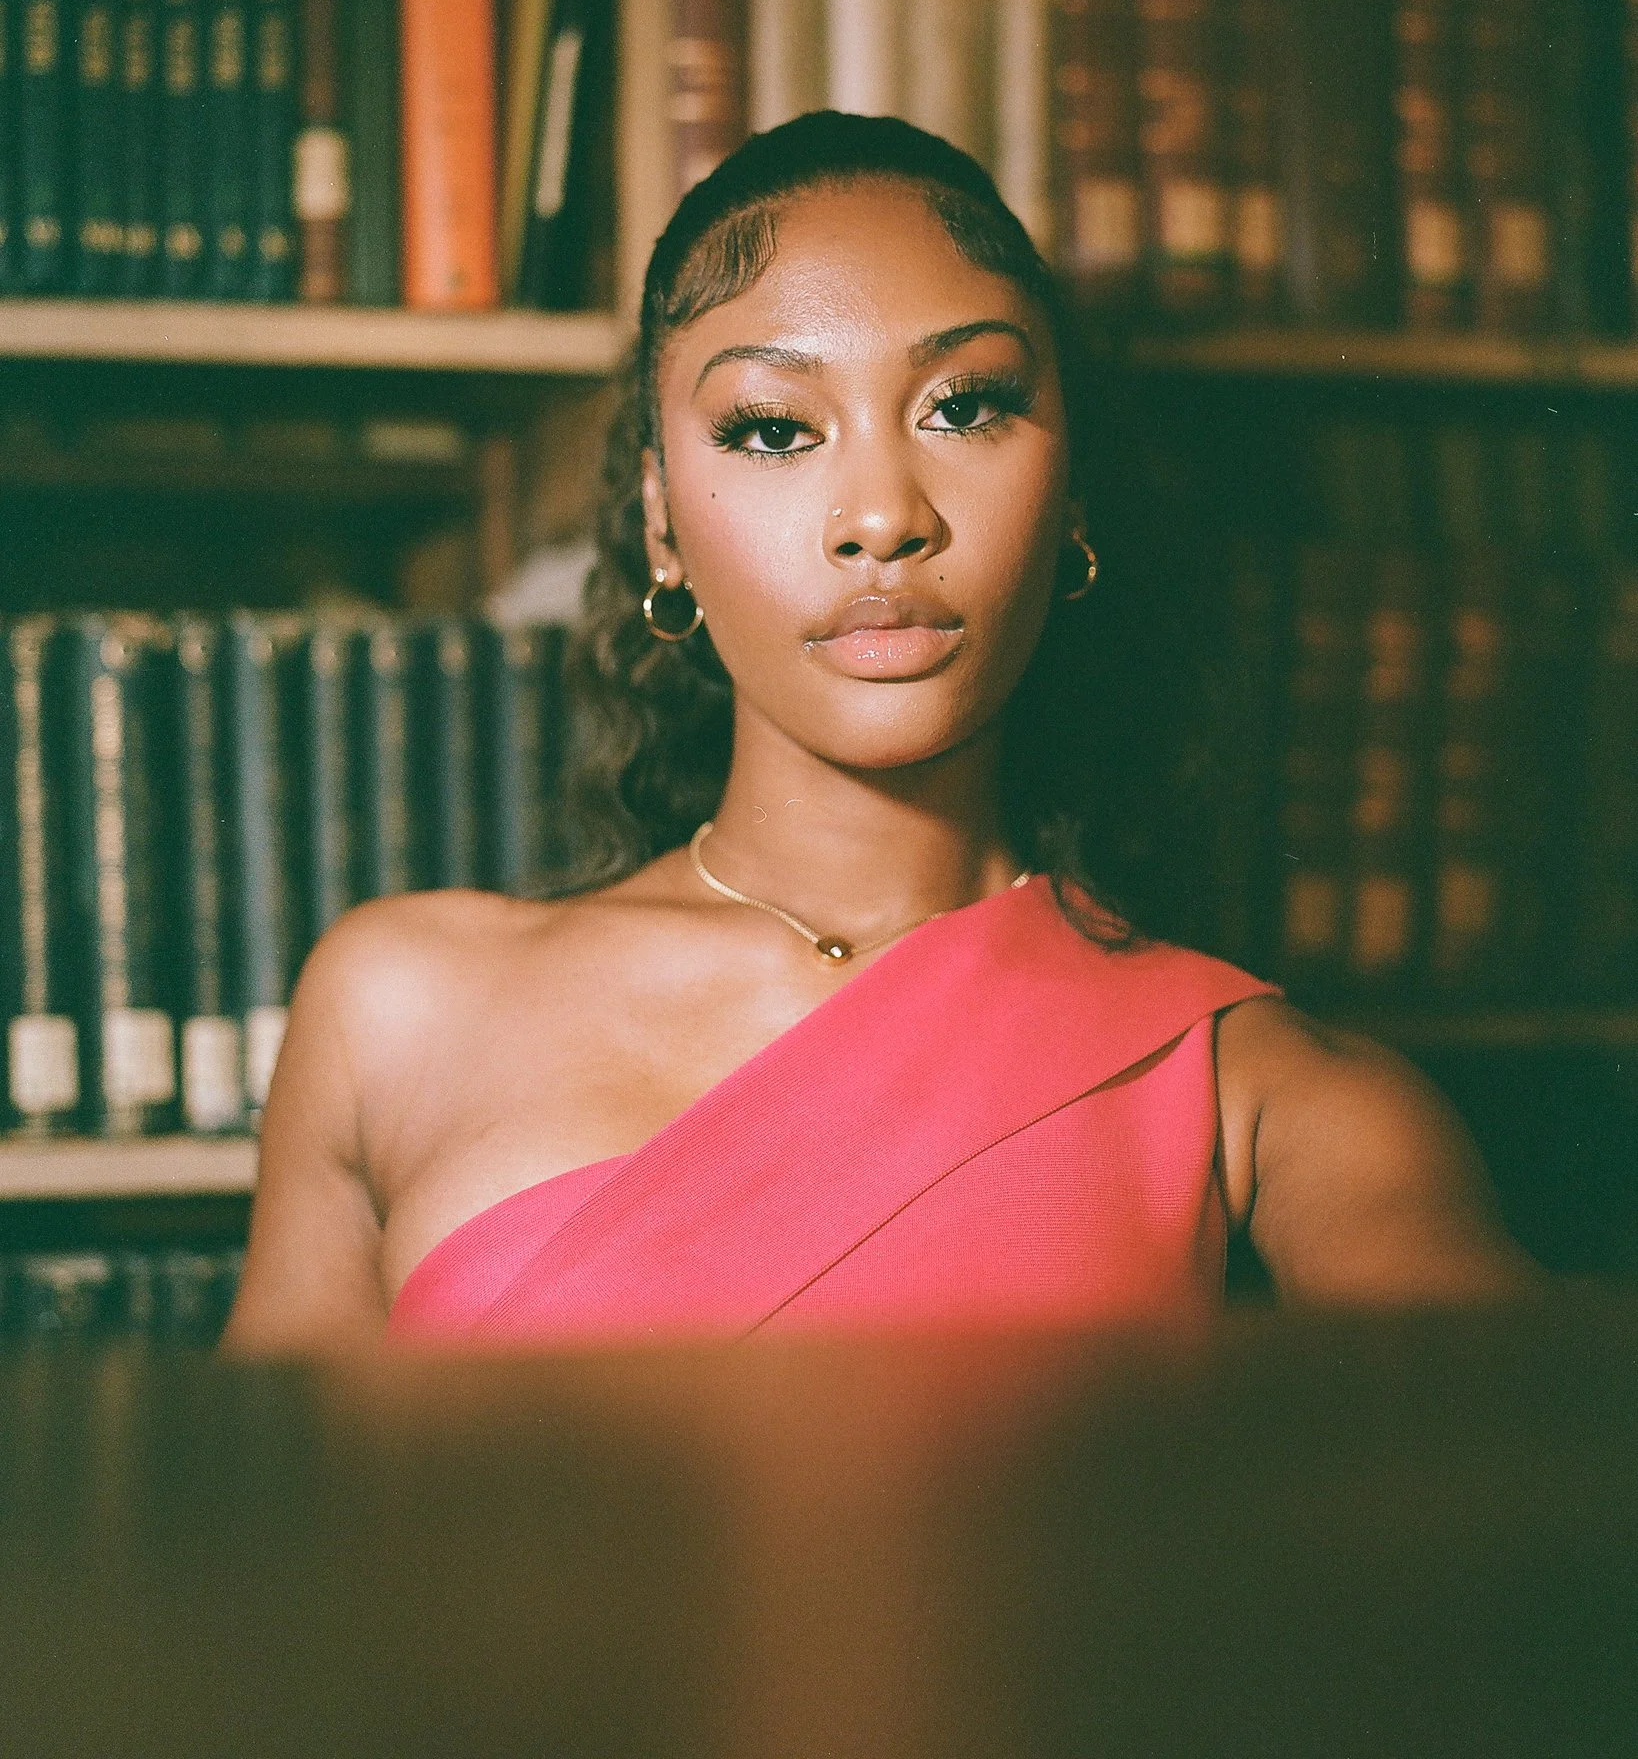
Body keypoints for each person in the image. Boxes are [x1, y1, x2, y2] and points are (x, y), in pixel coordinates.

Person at [224, 114, 1537, 1352]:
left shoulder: (1254, 1088)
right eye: (772, 428)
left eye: (963, 407)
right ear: (663, 518)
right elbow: (248, 1556)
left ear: (1069, 485)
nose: (880, 515)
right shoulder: (398, 1006)